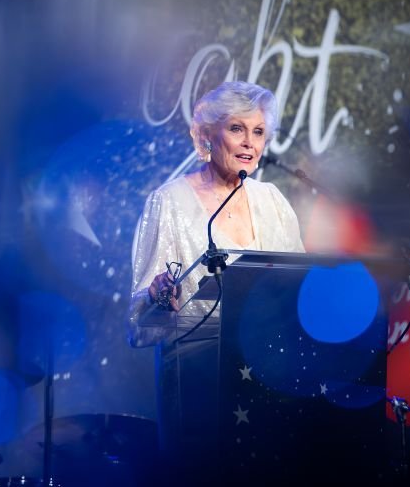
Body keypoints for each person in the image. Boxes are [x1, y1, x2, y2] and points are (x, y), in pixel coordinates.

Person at [128, 81, 305, 348]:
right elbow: (139, 328)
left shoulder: (273, 201)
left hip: (272, 364)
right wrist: (158, 298)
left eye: (258, 132)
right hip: (198, 370)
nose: (249, 143)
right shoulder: (169, 202)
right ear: (208, 135)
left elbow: (300, 289)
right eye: (236, 129)